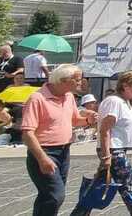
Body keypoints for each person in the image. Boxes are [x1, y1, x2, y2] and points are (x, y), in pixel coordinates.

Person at [71, 71, 132, 216]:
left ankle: (80, 212)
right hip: (113, 149)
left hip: (117, 148)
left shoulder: (124, 102)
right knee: (128, 184)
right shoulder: (114, 102)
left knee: (98, 185)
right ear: (125, 85)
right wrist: (106, 155)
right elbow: (105, 130)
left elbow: (123, 126)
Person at [20, 64, 96, 215]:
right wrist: (42, 159)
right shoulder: (37, 98)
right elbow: (27, 133)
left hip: (64, 151)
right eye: (78, 79)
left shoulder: (69, 97)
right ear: (64, 80)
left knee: (48, 195)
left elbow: (74, 121)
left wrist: (88, 120)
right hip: (44, 152)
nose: (81, 82)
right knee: (56, 195)